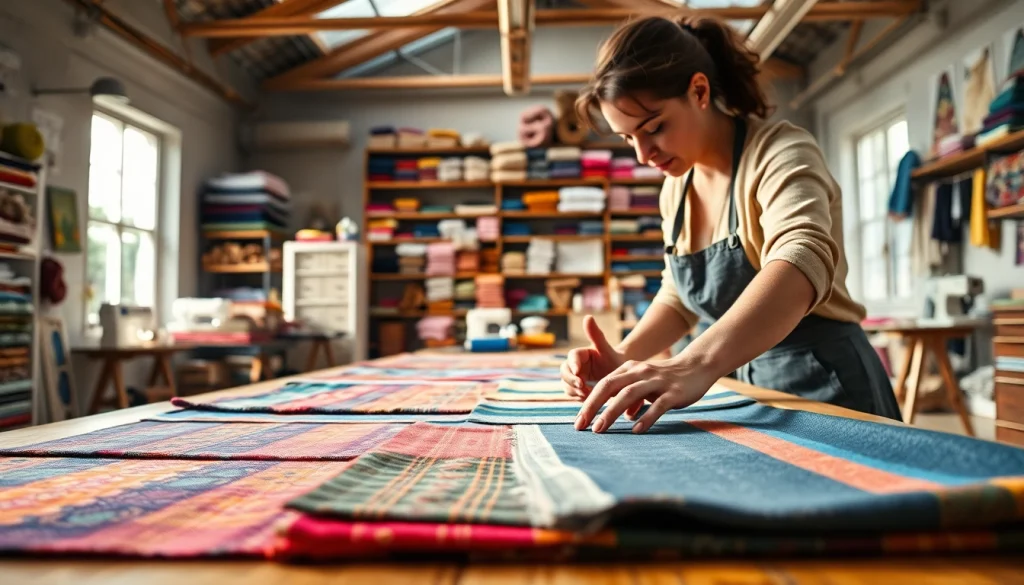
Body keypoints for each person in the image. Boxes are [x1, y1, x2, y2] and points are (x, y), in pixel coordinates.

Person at [563, 12, 903, 435]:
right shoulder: (677, 186)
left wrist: (694, 362)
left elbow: (802, 256)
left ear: (699, 90)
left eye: (654, 128)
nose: (642, 154)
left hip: (826, 383)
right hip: (739, 389)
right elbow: (682, 295)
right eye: (628, 138)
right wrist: (622, 356)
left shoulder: (780, 151)